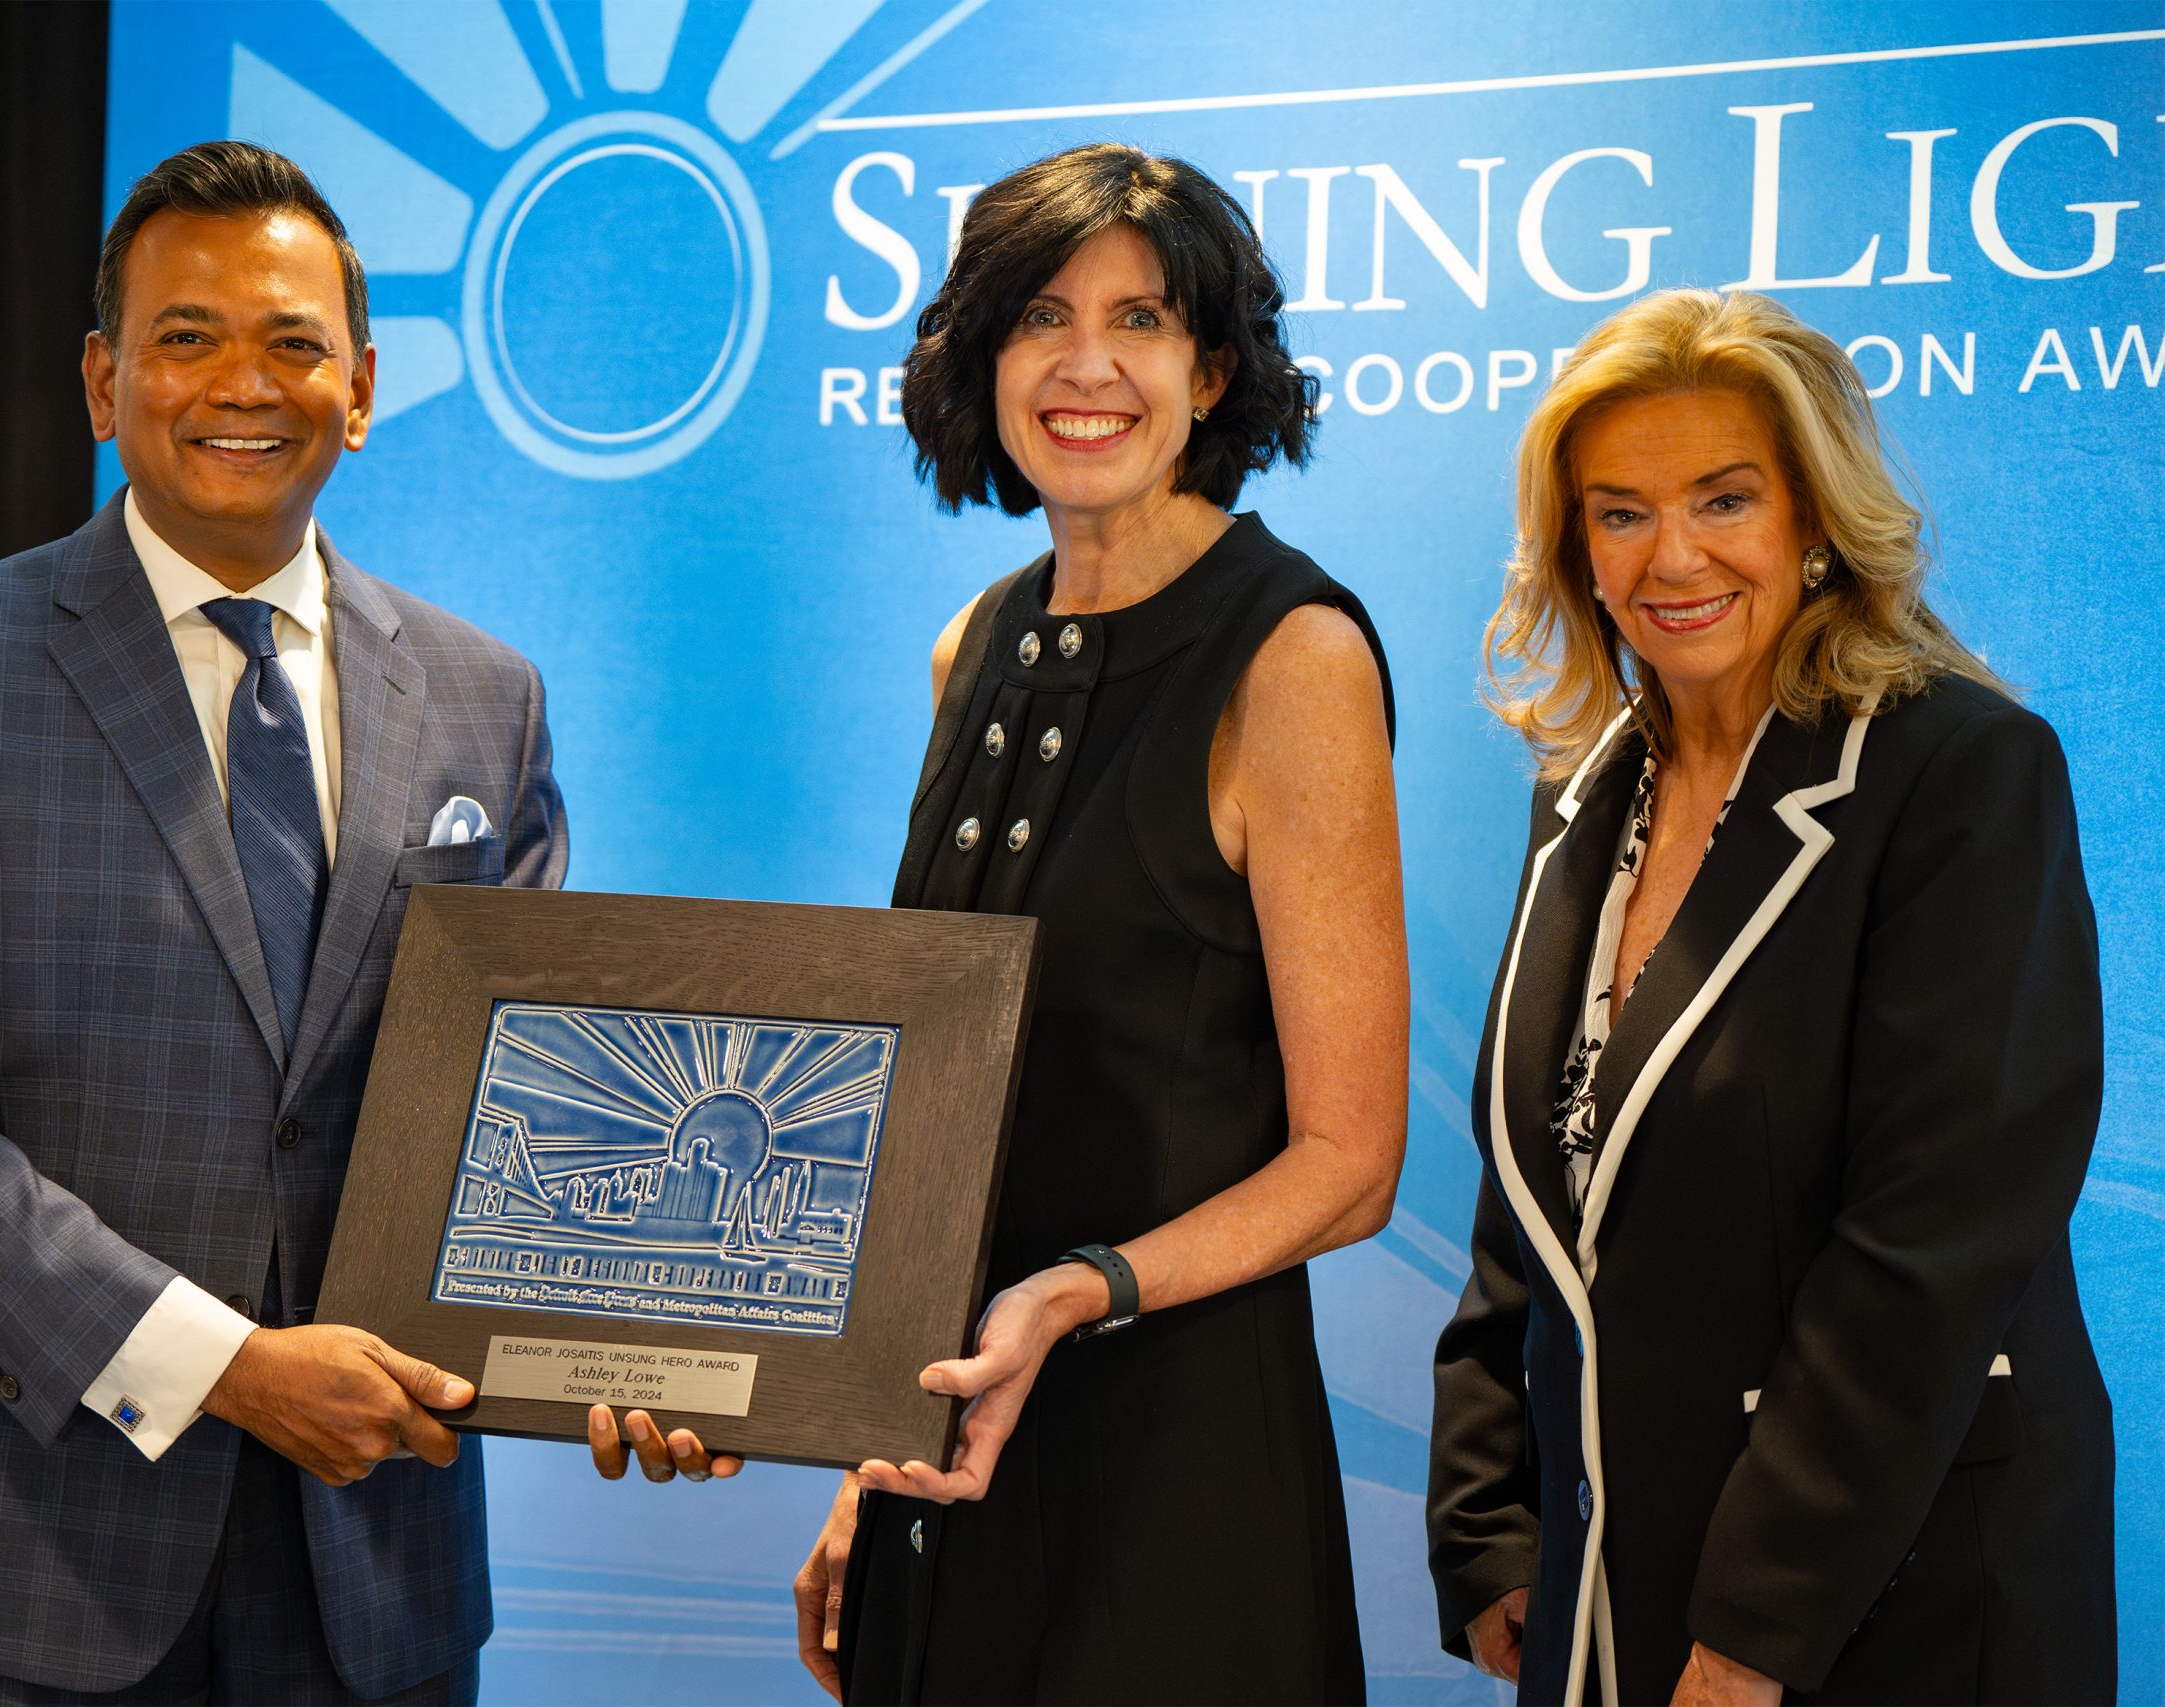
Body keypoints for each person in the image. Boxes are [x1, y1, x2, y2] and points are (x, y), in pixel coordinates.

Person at [0, 141, 568, 1703]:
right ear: (103, 379)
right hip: (35, 1542)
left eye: (292, 343)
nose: (242, 383)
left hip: (379, 1548)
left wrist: (632, 1354)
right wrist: (227, 1369)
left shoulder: (487, 698)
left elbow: (519, 1108)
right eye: (187, 337)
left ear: (361, 386)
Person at [1427, 288, 2113, 1706]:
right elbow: (1545, 1177)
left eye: (1722, 499)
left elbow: (1931, 1248)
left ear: (1814, 516)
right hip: (1610, 1571)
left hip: (1884, 1590)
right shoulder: (1584, 790)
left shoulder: (1961, 771)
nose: (1670, 555)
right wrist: (1490, 1518)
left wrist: (1753, 1632)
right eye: (1619, 513)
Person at [786, 141, 1408, 1704]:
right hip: (951, 1458)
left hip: (1176, 1466)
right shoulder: (970, 648)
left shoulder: (1294, 658)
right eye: (1040, 317)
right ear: (981, 362)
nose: (1087, 366)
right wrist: (869, 1449)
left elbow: (1351, 1167)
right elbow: (937, 1117)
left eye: (1141, 322)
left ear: (1212, 371)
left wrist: (1079, 1292)